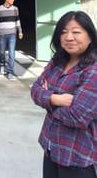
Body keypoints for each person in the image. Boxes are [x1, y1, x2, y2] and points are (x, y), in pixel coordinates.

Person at [31, 11, 97, 178]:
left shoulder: (93, 70)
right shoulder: (57, 61)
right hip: (51, 147)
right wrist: (55, 99)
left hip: (77, 156)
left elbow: (77, 117)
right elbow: (35, 90)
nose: (69, 37)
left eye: (76, 32)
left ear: (90, 36)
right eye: (63, 32)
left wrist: (46, 100)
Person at [0, 0, 23, 80]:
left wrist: (20, 31)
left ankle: (10, 72)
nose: (13, 0)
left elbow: (17, 21)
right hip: (2, 34)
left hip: (12, 34)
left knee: (11, 53)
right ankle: (2, 64)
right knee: (1, 52)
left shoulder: (15, 9)